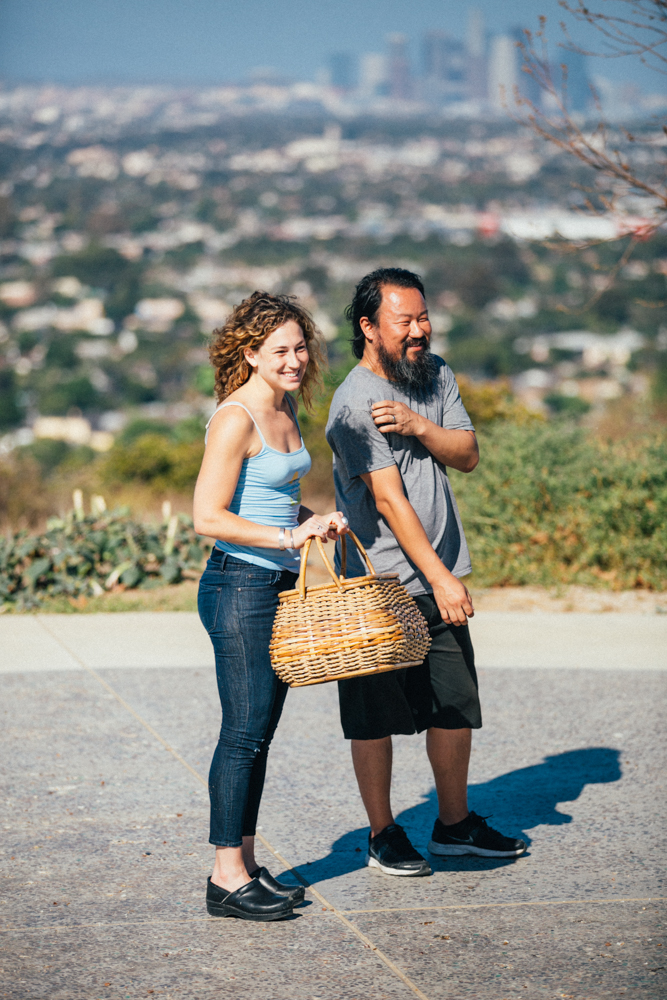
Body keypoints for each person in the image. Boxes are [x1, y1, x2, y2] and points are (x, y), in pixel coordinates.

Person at [325, 268, 526, 877]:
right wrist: (441, 576)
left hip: (438, 574)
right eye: (404, 321)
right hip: (378, 585)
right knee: (374, 714)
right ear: (368, 327)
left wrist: (417, 425)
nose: (420, 330)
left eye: (423, 317)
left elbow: (466, 454)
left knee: (454, 705)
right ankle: (383, 833)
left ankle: (454, 824)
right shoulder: (353, 405)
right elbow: (388, 501)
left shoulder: (435, 375)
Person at [194, 291, 348, 919]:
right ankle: (224, 877)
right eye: (279, 350)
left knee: (260, 732)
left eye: (299, 347)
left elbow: (273, 501)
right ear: (250, 353)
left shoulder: (284, 411)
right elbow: (208, 516)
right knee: (242, 733)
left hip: (278, 587)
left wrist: (315, 520)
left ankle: (246, 864)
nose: (293, 359)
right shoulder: (237, 418)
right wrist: (290, 536)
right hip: (238, 588)